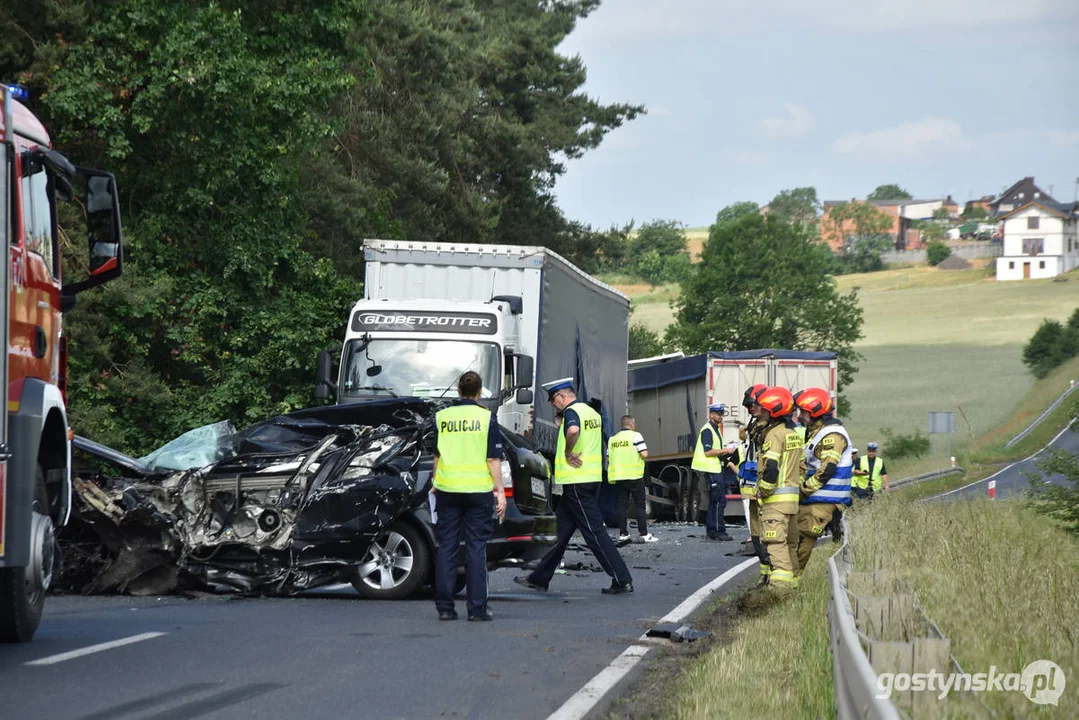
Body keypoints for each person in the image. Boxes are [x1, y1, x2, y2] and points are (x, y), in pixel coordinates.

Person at [515, 378, 634, 595]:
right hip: (587, 480)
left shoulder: (572, 412)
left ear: (562, 396)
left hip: (577, 482)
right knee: (560, 532)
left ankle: (622, 579)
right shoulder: (592, 413)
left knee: (595, 533)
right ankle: (539, 578)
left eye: (553, 401)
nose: (553, 405)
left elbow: (573, 431)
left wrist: (569, 452)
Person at [432, 371, 507, 622]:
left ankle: (444, 607)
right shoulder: (486, 418)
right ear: (479, 392)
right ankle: (477, 609)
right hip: (477, 491)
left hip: (447, 489)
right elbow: (493, 459)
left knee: (447, 547)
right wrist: (500, 492)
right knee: (476, 548)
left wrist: (435, 482)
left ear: (458, 391)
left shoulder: (441, 417)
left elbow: (437, 456)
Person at [792, 388, 852, 579]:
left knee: (802, 542)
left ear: (816, 412)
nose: (800, 416)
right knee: (793, 540)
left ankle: (789, 585)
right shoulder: (817, 432)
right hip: (815, 498)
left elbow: (826, 470)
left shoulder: (832, 435)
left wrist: (803, 491)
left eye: (804, 412)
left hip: (822, 499)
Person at [754, 386, 805, 594]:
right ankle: (794, 588)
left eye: (765, 410)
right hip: (792, 504)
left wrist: (763, 491)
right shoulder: (793, 434)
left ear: (774, 412)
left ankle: (780, 592)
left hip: (775, 504)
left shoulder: (774, 435)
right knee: (791, 546)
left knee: (776, 546)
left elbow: (771, 468)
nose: (762, 414)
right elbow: (802, 468)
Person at [738, 384, 772, 583]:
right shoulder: (755, 423)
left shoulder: (771, 428)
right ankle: (764, 574)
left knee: (769, 534)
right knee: (756, 532)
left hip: (765, 489)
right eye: (748, 407)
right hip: (752, 487)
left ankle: (771, 575)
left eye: (753, 406)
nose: (750, 410)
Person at [608, 415, 657, 543]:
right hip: (634, 476)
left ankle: (623, 533)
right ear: (630, 425)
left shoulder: (612, 439)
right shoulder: (636, 436)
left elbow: (608, 458)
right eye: (634, 424)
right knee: (640, 505)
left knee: (622, 505)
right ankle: (644, 534)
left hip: (619, 477)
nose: (635, 426)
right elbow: (644, 454)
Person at [693, 403, 737, 541]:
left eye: (722, 414)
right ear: (711, 415)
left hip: (714, 468)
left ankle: (712, 530)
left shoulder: (715, 429)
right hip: (710, 469)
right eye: (718, 414)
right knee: (719, 500)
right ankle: (718, 531)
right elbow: (708, 451)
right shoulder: (708, 430)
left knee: (714, 501)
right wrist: (727, 450)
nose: (721, 416)